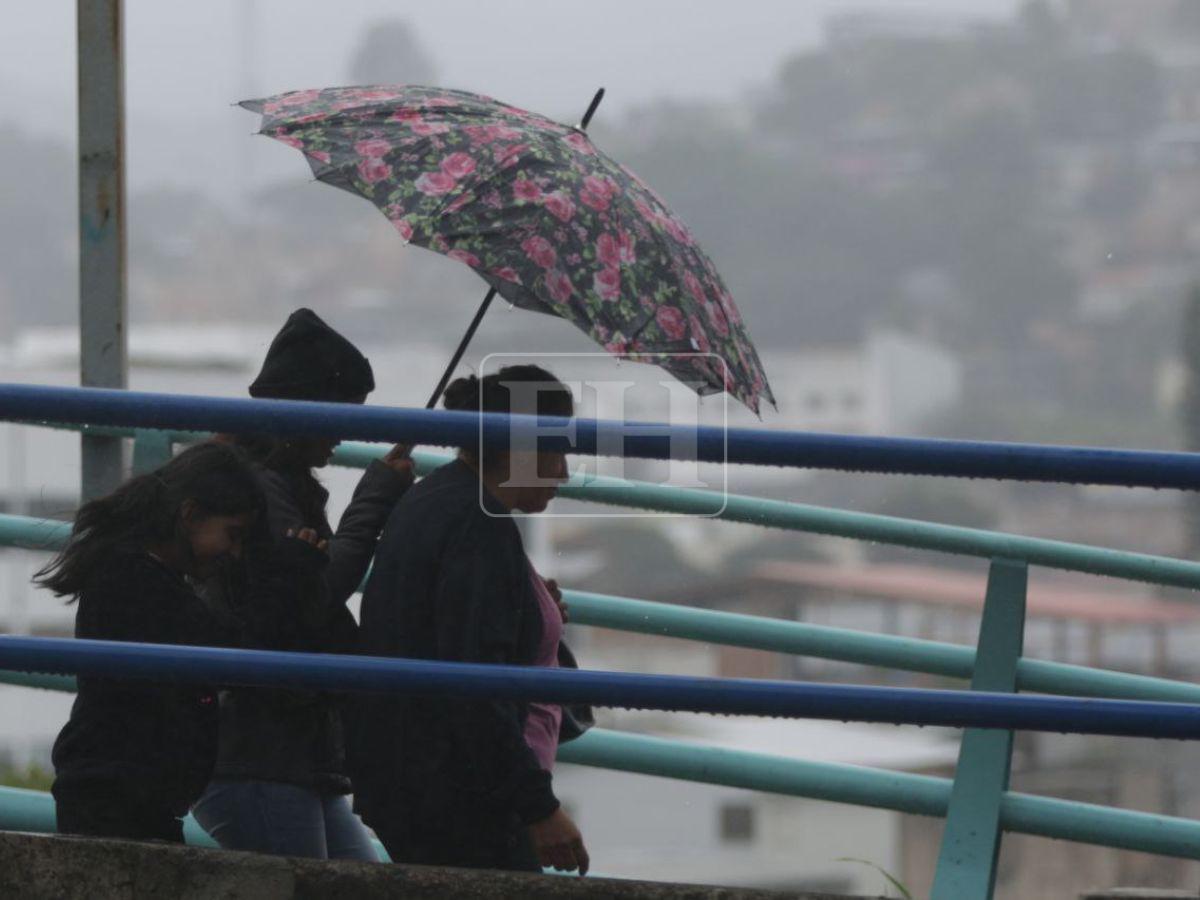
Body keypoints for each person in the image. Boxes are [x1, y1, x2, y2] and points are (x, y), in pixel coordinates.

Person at [192, 308, 414, 861]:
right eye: (338, 415)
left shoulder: (265, 479)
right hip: (260, 755)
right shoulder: (261, 489)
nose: (344, 433)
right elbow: (315, 593)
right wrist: (375, 499)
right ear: (305, 409)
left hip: (280, 753)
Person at [352, 364, 591, 875]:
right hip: (454, 795)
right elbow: (475, 686)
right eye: (557, 452)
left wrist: (528, 609)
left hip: (408, 775)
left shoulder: (440, 496)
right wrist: (540, 809)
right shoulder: (479, 526)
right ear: (520, 449)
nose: (564, 473)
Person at [42, 442, 272, 843]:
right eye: (232, 535)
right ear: (190, 514)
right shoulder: (138, 581)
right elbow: (226, 647)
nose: (234, 553)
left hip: (122, 791)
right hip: (119, 795)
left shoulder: (137, 572)